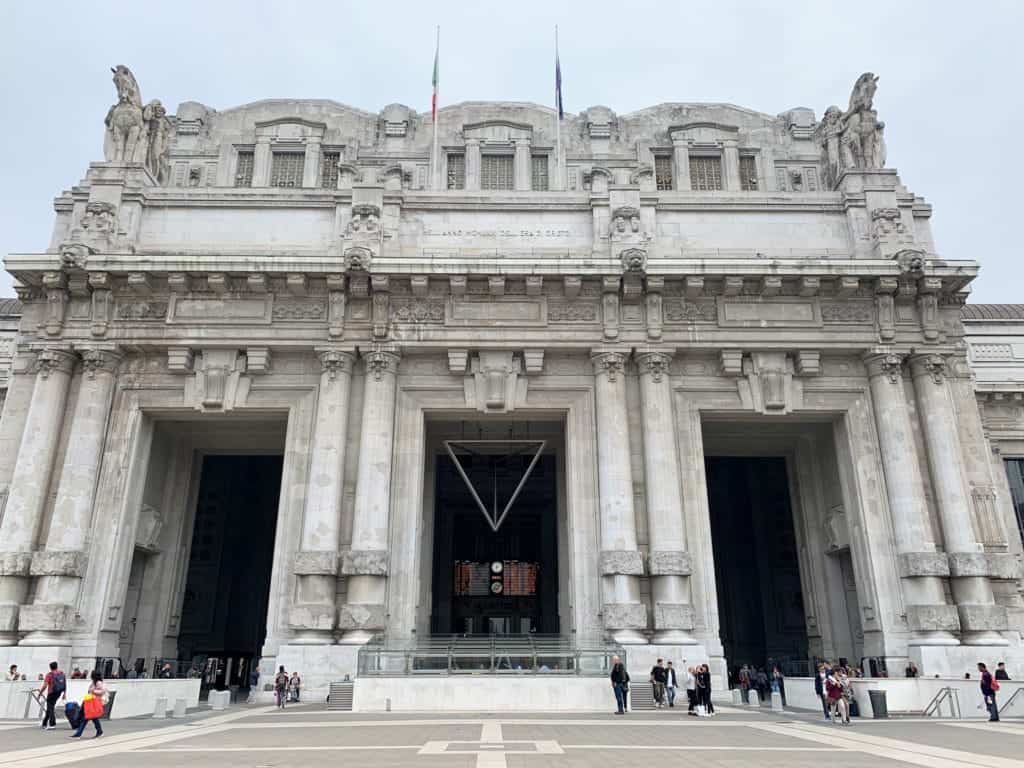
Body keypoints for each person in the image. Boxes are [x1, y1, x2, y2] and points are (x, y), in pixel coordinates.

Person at [71, 671, 106, 739]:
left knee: (86, 717)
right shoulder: (94, 682)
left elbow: (103, 691)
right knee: (93, 718)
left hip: (94, 702)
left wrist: (93, 691)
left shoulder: (98, 683)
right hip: (90, 702)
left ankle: (78, 734)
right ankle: (99, 731)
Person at [39, 661, 67, 730]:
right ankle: (44, 723)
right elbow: (64, 684)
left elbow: (45, 685)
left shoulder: (49, 674)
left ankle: (52, 724)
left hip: (51, 692)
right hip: (59, 692)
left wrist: (40, 693)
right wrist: (64, 694)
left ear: (50, 667)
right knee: (50, 707)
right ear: (57, 666)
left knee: (50, 708)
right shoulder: (62, 673)